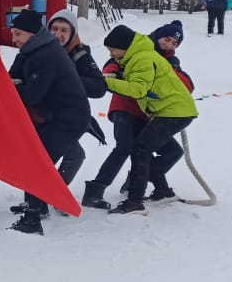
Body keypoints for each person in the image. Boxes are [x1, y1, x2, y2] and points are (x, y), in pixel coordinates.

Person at [0, 8, 90, 235]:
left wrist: (1, 86)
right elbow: (11, 79)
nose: (14, 39)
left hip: (67, 120)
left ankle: (33, 218)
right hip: (43, 116)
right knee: (8, 153)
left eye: (18, 34)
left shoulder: (48, 55)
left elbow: (32, 94)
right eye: (13, 33)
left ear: (33, 34)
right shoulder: (29, 51)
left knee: (36, 163)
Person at [82, 20, 191, 210]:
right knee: (125, 147)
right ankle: (96, 189)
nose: (169, 45)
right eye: (166, 39)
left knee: (172, 151)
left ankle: (141, 180)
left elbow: (186, 85)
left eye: (175, 43)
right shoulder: (131, 47)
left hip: (150, 114)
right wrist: (118, 77)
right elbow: (108, 71)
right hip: (125, 108)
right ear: (158, 36)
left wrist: (168, 72)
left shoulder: (169, 61)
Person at [46, 9, 107, 192]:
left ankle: (48, 195)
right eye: (54, 28)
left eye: (64, 30)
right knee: (61, 156)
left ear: (72, 33)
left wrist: (70, 80)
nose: (58, 34)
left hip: (66, 117)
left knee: (73, 156)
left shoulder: (80, 54)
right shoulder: (39, 50)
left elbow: (99, 87)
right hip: (42, 115)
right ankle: (44, 196)